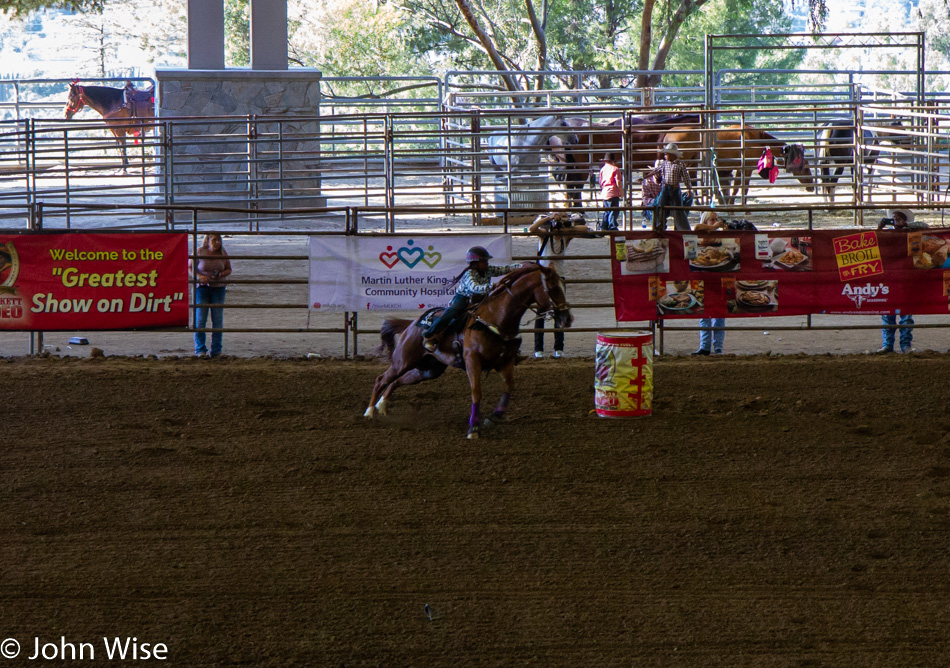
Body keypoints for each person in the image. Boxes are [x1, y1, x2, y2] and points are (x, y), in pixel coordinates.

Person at [423, 246, 522, 352]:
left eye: (486, 260)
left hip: (481, 298)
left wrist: (521, 266)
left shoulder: (487, 270)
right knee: (453, 311)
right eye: (484, 261)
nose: (487, 263)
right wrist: (492, 286)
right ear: (475, 263)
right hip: (464, 298)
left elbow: (504, 269)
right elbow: (474, 288)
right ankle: (430, 335)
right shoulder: (469, 274)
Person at [528, 212, 590, 358]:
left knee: (559, 312)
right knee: (540, 313)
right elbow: (532, 229)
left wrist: (565, 225)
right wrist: (549, 219)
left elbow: (585, 229)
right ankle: (538, 349)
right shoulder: (544, 235)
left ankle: (559, 349)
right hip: (543, 278)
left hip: (559, 277)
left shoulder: (565, 237)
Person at [877, 208, 927, 353]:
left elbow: (924, 226)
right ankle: (889, 344)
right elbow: (876, 242)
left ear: (905, 220)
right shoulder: (887, 234)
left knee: (905, 313)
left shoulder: (910, 232)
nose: (895, 220)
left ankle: (904, 344)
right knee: (888, 312)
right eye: (893, 218)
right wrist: (880, 228)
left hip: (904, 276)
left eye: (899, 218)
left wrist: (905, 226)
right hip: (892, 276)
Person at [191, 233, 232, 358]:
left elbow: (228, 268)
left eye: (218, 240)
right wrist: (199, 276)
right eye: (214, 240)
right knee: (200, 319)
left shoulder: (223, 253)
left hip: (219, 288)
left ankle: (216, 350)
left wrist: (220, 274)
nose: (217, 243)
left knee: (217, 320)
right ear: (207, 241)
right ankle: (200, 350)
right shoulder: (199, 252)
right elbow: (190, 267)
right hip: (202, 287)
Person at [691, 210, 727, 355]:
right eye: (712, 220)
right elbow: (696, 227)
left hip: (718, 277)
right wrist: (713, 228)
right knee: (703, 312)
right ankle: (705, 346)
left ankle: (718, 347)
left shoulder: (720, 235)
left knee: (719, 314)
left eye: (717, 219)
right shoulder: (701, 232)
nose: (716, 222)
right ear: (705, 221)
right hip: (704, 276)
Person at [649, 143, 693, 232]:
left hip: (675, 188)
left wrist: (688, 188)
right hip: (666, 187)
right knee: (661, 207)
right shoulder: (665, 164)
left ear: (672, 155)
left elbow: (686, 177)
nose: (665, 156)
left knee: (678, 210)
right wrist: (645, 177)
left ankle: (681, 229)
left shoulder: (680, 164)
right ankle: (659, 227)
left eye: (666, 154)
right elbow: (655, 170)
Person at [598, 154, 623, 231]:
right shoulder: (615, 169)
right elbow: (618, 181)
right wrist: (621, 191)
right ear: (613, 161)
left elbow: (600, 182)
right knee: (614, 211)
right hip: (613, 192)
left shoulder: (602, 169)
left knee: (607, 211)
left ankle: (604, 227)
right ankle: (612, 227)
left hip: (605, 192)